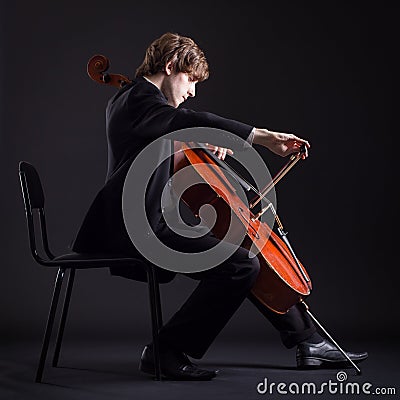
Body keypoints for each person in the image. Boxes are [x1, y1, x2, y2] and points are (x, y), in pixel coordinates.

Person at [72, 32, 367, 380]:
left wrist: (195, 140)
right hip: (137, 229)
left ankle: (307, 340)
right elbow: (183, 119)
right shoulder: (139, 99)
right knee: (241, 264)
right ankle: (164, 351)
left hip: (145, 222)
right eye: (190, 80)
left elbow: (161, 138)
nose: (192, 92)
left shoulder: (133, 103)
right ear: (169, 66)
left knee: (241, 252)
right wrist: (261, 136)